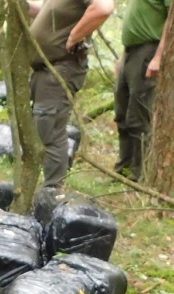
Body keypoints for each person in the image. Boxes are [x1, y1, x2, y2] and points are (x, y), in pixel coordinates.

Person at [28, 0, 115, 189]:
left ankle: (52, 193)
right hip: (46, 69)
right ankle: (42, 190)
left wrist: (74, 37)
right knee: (42, 128)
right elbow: (47, 12)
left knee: (50, 131)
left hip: (61, 67)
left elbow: (103, 7)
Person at [115, 0, 171, 178]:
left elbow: (173, 20)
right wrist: (123, 57)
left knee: (138, 115)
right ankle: (123, 168)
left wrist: (159, 56)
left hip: (148, 50)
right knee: (121, 112)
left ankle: (139, 173)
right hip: (130, 52)